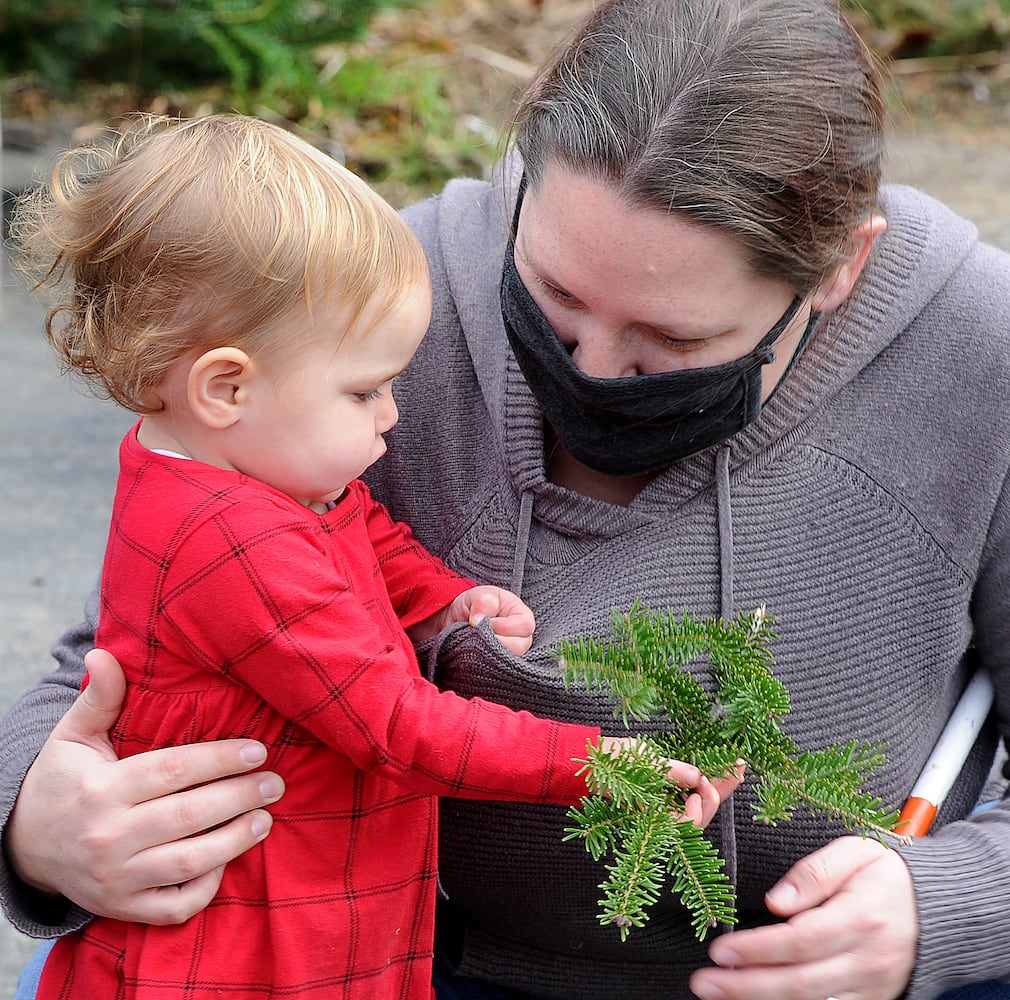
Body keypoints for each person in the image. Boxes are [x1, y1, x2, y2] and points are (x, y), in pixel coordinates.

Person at [3, 0, 1010, 996]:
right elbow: (116, 659)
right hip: (391, 956)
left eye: (672, 342)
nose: (594, 372)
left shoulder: (977, 350)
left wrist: (949, 905)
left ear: (841, 267)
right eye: (553, 299)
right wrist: (35, 818)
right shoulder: (370, 305)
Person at [5, 112, 736, 999]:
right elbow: (402, 727)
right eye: (365, 390)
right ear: (225, 385)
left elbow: (358, 532)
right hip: (242, 953)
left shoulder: (230, 470)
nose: (392, 414)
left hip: (316, 912)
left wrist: (442, 600)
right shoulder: (233, 545)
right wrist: (598, 764)